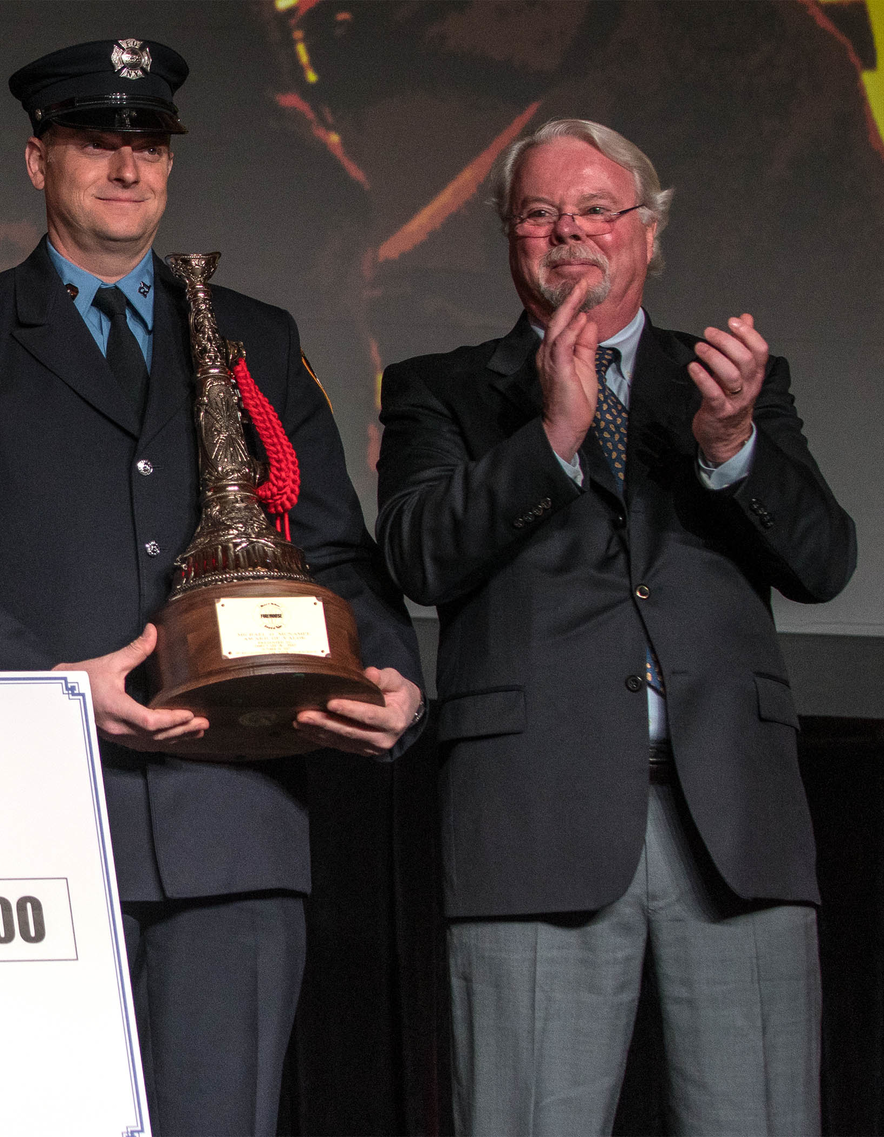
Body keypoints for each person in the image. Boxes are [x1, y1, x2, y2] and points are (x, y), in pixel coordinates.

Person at [0, 40, 423, 1135]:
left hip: (236, 822)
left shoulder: (258, 336)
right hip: (37, 827)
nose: (127, 166)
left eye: (148, 143)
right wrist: (51, 684)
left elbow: (335, 553)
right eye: (95, 140)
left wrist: (393, 674)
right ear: (37, 160)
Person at [376, 118, 856, 1136]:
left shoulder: (729, 385)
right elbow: (417, 555)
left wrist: (733, 450)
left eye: (598, 210)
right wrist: (551, 435)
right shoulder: (442, 390)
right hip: (535, 827)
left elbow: (825, 562)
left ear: (648, 234)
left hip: (735, 827)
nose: (570, 233)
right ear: (510, 237)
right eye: (541, 213)